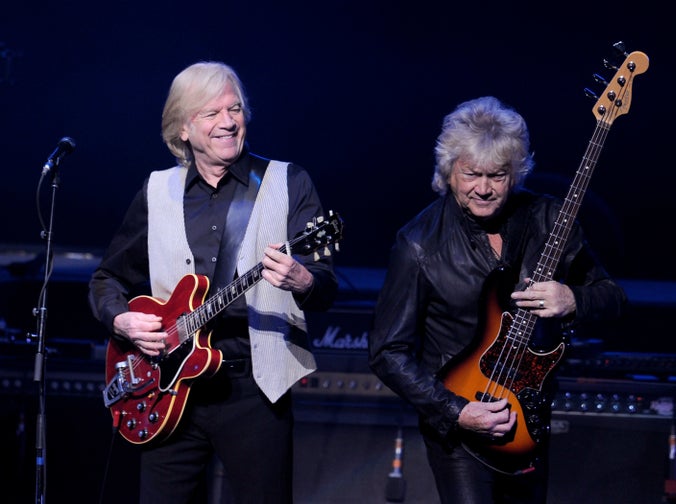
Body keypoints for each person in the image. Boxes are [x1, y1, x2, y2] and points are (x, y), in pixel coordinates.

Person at [88, 61, 338, 503]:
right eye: (211, 113)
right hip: (166, 387)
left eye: (235, 109)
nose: (228, 121)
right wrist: (122, 321)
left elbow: (324, 286)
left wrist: (302, 279)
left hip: (254, 390)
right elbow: (108, 278)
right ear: (183, 128)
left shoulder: (287, 181)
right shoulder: (156, 190)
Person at [368, 96, 627, 503]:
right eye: (472, 174)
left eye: (498, 175)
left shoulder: (548, 219)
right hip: (459, 423)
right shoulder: (418, 243)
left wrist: (572, 298)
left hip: (526, 416)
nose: (484, 189)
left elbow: (613, 298)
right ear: (449, 171)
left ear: (516, 173)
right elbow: (387, 352)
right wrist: (456, 411)